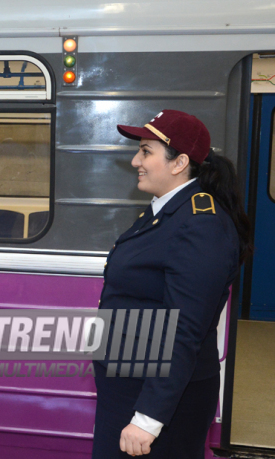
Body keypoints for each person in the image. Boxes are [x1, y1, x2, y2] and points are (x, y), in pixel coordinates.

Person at [92, 110, 252, 458]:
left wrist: (148, 420)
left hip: (161, 400)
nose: (136, 160)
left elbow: (183, 329)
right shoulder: (166, 213)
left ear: (180, 162)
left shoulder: (200, 226)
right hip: (130, 386)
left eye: (146, 151)